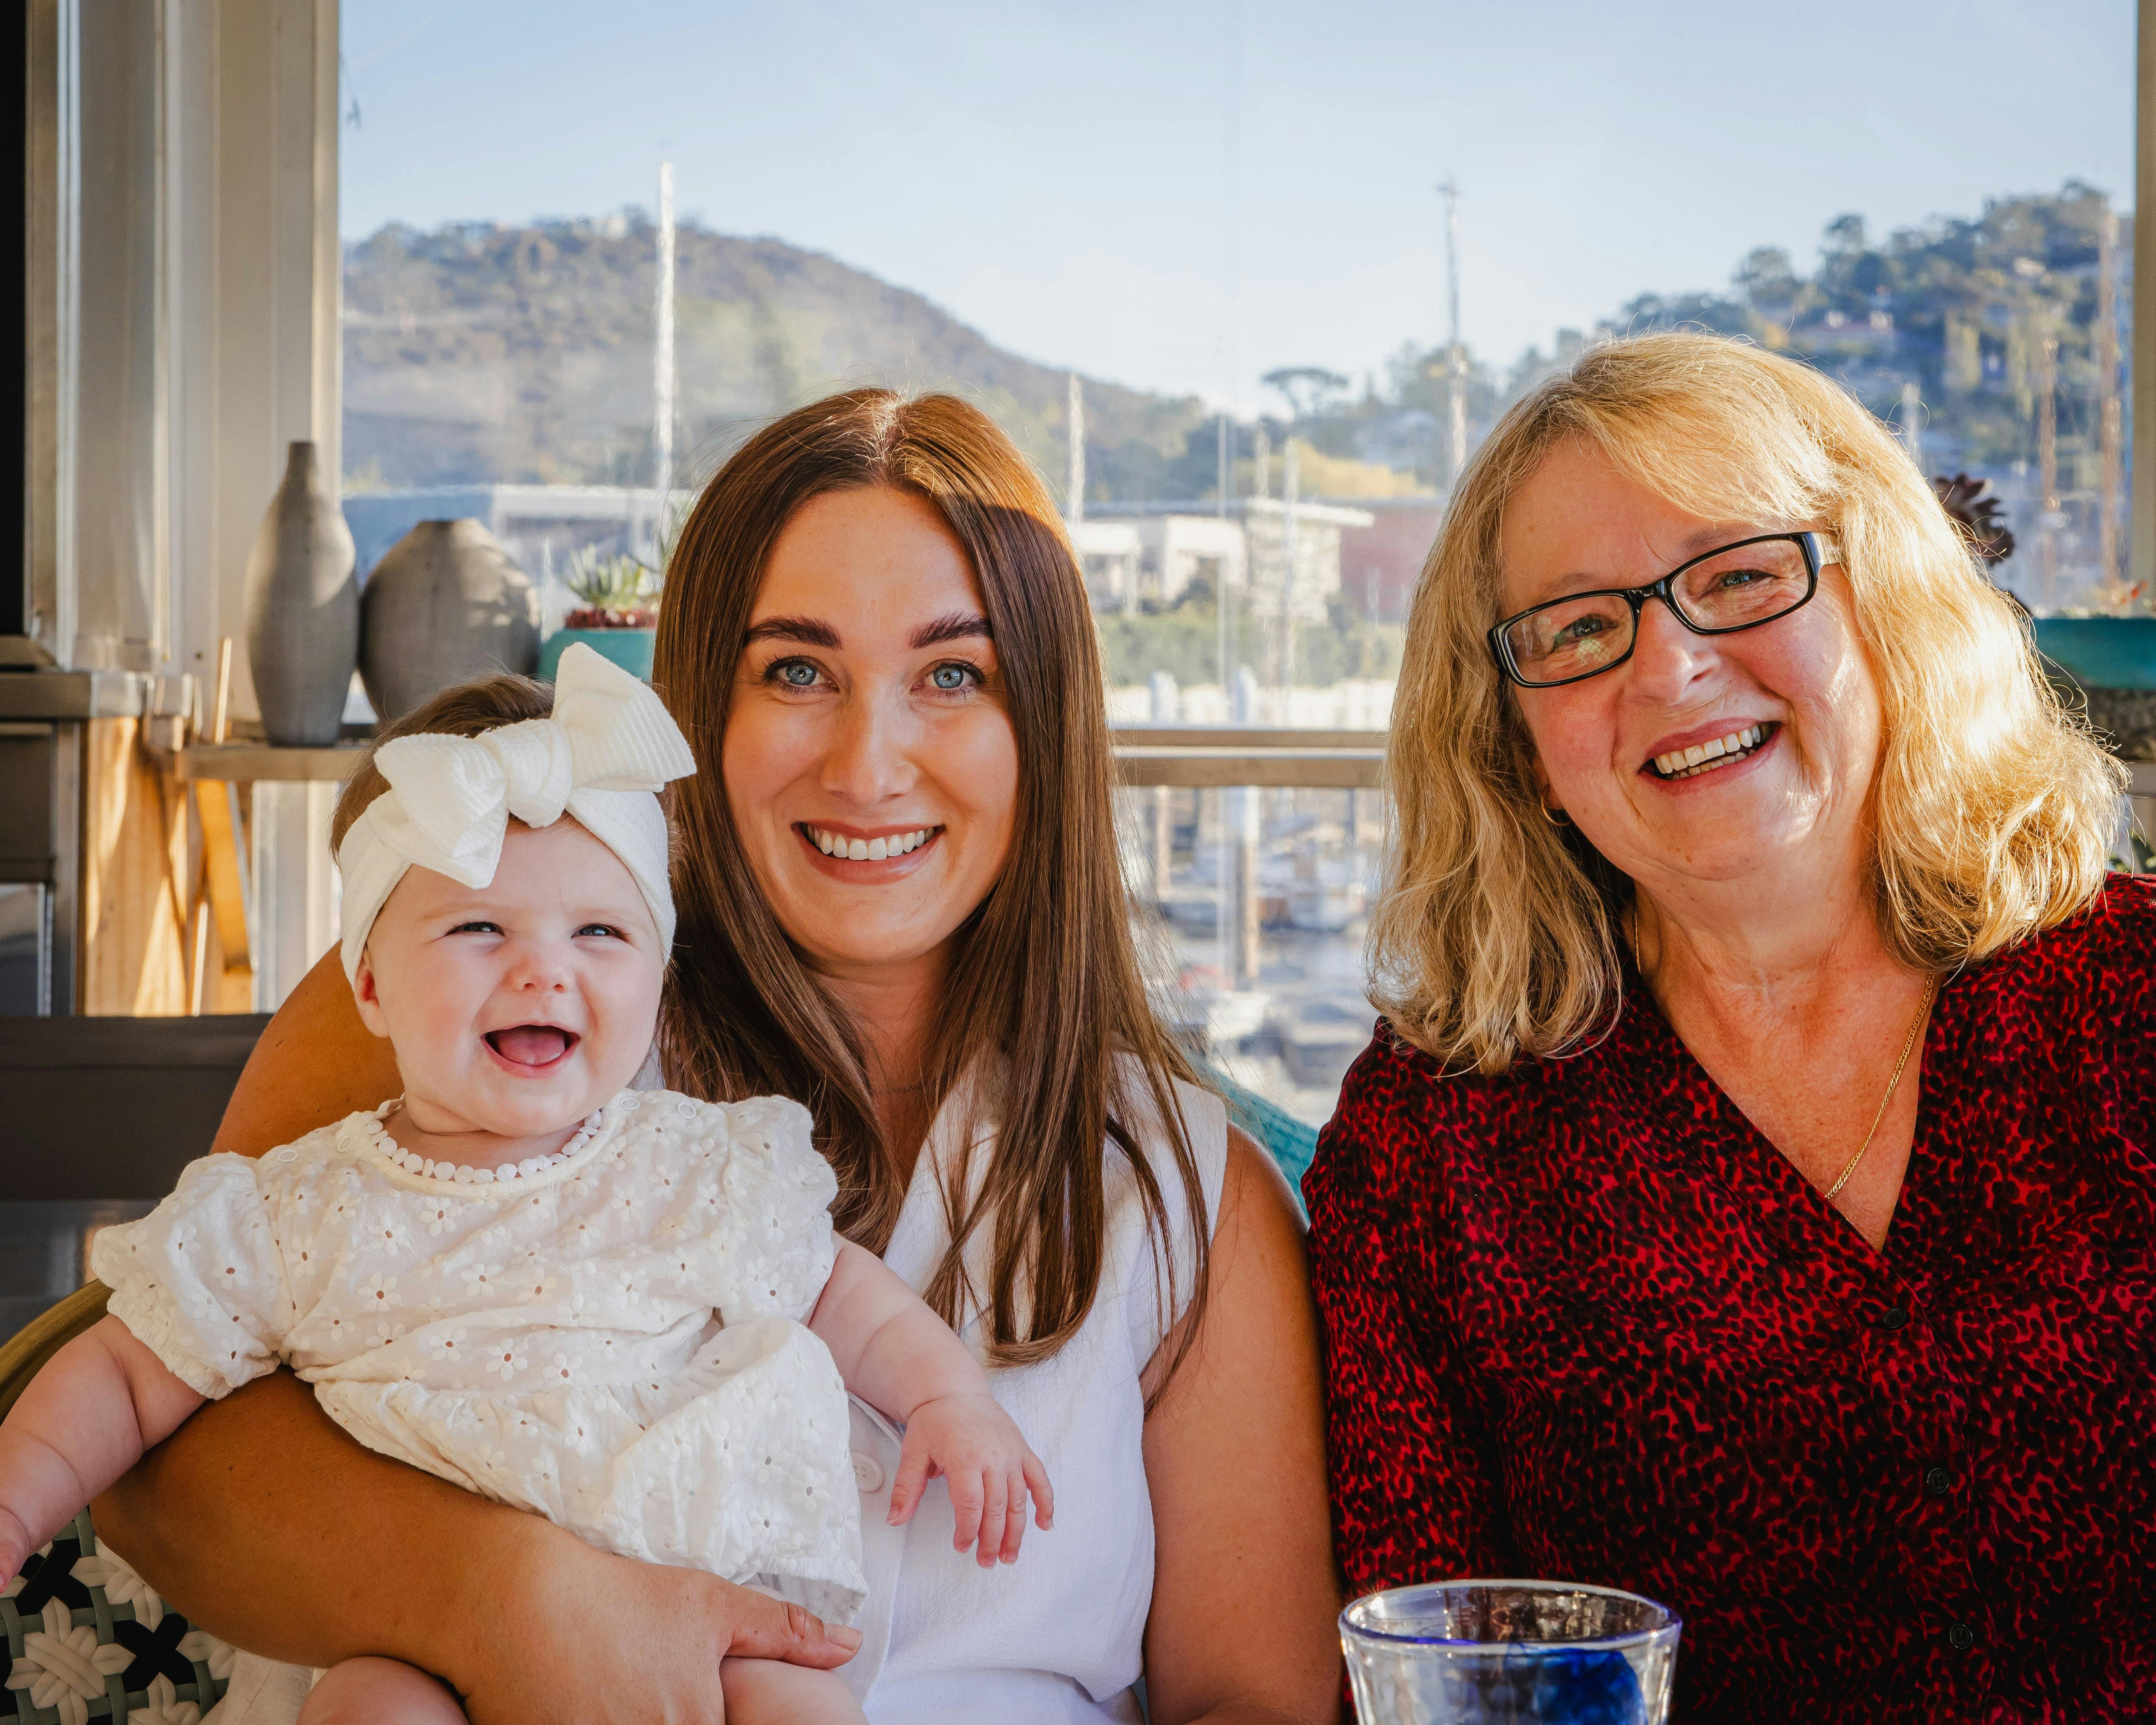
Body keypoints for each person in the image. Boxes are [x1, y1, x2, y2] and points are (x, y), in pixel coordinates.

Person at [94, 391, 1341, 1725]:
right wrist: (510, 1597)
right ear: (695, 709)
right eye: (795, 671)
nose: (870, 765)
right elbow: (154, 1464)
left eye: (953, 674)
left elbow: (1252, 1701)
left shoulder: (1188, 1190)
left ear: (1044, 721)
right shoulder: (466, 1006)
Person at [1307, 332, 2154, 1722]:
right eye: (1580, 627)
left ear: (1881, 590)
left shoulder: (2127, 1008)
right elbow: (1432, 1676)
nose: (1672, 667)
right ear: (1513, 732)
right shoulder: (1430, 1154)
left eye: (1741, 575)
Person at [0, 645, 1053, 1725]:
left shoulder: (694, 1165)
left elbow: (842, 1293)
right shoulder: (302, 1209)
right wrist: (16, 1494)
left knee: (802, 1710)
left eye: (601, 932)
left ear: (657, 972)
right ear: (368, 982)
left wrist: (946, 1401)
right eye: (478, 929)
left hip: (703, 1612)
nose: (545, 971)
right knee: (369, 1712)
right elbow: (128, 1375)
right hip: (425, 1642)